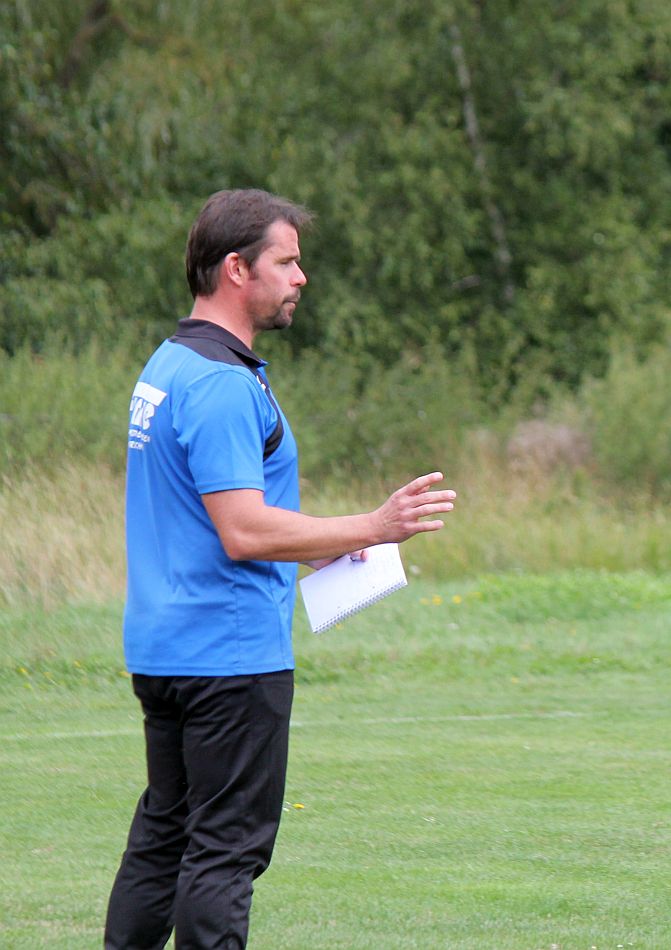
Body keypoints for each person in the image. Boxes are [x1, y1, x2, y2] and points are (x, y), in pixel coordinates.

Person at [107, 188, 458, 949]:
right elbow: (241, 530)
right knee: (225, 853)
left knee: (164, 836)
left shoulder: (168, 365)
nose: (301, 277)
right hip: (230, 658)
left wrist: (330, 542)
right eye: (288, 262)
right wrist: (374, 523)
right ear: (236, 269)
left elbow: (214, 518)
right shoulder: (225, 386)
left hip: (165, 647)